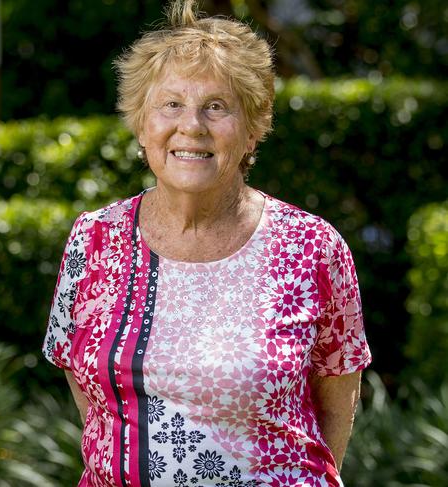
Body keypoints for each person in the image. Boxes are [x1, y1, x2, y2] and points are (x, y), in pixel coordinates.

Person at [42, 1, 371, 485]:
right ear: (141, 123)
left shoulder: (311, 246)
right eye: (170, 104)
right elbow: (84, 382)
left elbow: (337, 399)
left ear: (254, 128)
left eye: (216, 106)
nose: (191, 125)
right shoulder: (93, 239)